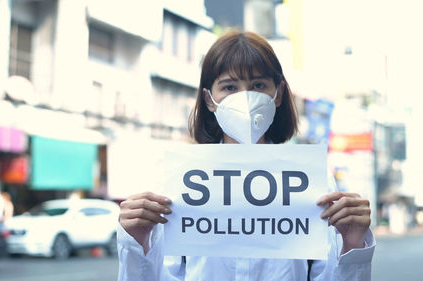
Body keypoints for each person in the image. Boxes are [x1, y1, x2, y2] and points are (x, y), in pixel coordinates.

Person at [117, 31, 375, 281]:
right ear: (209, 99)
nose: (246, 99)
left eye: (259, 85)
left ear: (278, 93)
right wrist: (136, 240)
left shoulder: (311, 181)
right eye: (229, 87)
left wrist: (352, 245)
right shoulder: (178, 181)